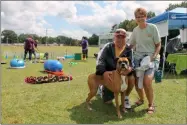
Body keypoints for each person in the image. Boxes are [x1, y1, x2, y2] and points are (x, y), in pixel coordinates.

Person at [129, 7, 161, 114]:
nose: (139, 18)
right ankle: (141, 99)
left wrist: (153, 56)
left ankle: (151, 104)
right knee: (137, 82)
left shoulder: (152, 28)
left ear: (145, 17)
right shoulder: (135, 30)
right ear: (135, 18)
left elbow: (158, 45)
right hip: (138, 59)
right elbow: (131, 45)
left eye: (141, 16)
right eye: (137, 17)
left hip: (151, 59)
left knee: (147, 82)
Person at [96, 28, 135, 109]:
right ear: (114, 37)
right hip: (109, 75)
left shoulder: (129, 49)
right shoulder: (108, 46)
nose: (120, 39)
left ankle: (126, 98)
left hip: (123, 75)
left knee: (132, 77)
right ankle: (101, 87)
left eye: (122, 37)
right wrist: (104, 72)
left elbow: (132, 64)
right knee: (108, 102)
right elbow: (100, 61)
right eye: (118, 37)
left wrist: (130, 69)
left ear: (126, 38)